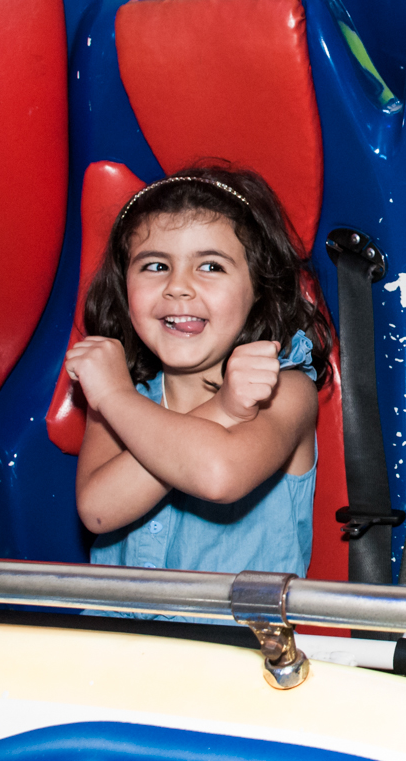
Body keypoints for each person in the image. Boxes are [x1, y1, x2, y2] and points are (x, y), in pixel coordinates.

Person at [65, 165, 331, 607]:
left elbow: (217, 474)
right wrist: (221, 408)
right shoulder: (125, 395)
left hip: (239, 650)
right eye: (155, 266)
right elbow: (98, 510)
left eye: (210, 265)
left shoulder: (285, 388)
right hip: (120, 649)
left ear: (259, 289)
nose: (178, 287)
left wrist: (114, 397)